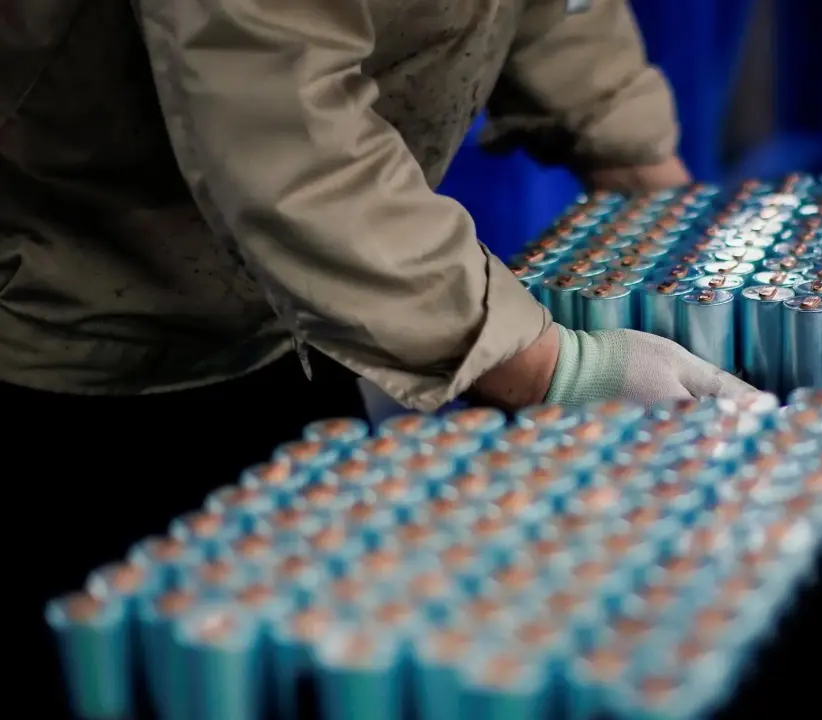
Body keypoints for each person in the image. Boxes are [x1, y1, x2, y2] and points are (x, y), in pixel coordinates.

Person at [1, 0, 752, 702]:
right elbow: (287, 141)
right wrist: (564, 372)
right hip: (78, 327)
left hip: (295, 305)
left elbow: (555, 13)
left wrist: (640, 169)